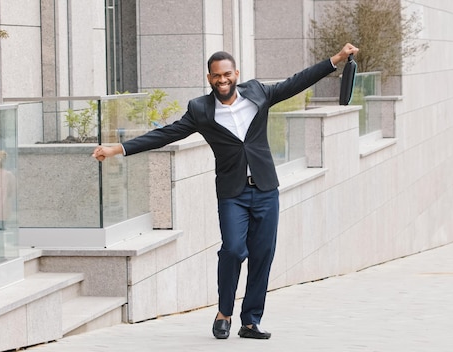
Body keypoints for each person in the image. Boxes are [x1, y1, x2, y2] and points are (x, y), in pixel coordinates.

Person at [92, 43, 359, 340]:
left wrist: (334, 61)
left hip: (266, 189)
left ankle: (250, 321)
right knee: (232, 249)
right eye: (217, 76)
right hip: (233, 193)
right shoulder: (200, 110)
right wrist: (119, 148)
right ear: (209, 78)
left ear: (236, 74)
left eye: (227, 74)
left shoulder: (258, 92)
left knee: (263, 254)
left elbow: (296, 82)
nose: (223, 80)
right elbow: (166, 133)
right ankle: (224, 312)